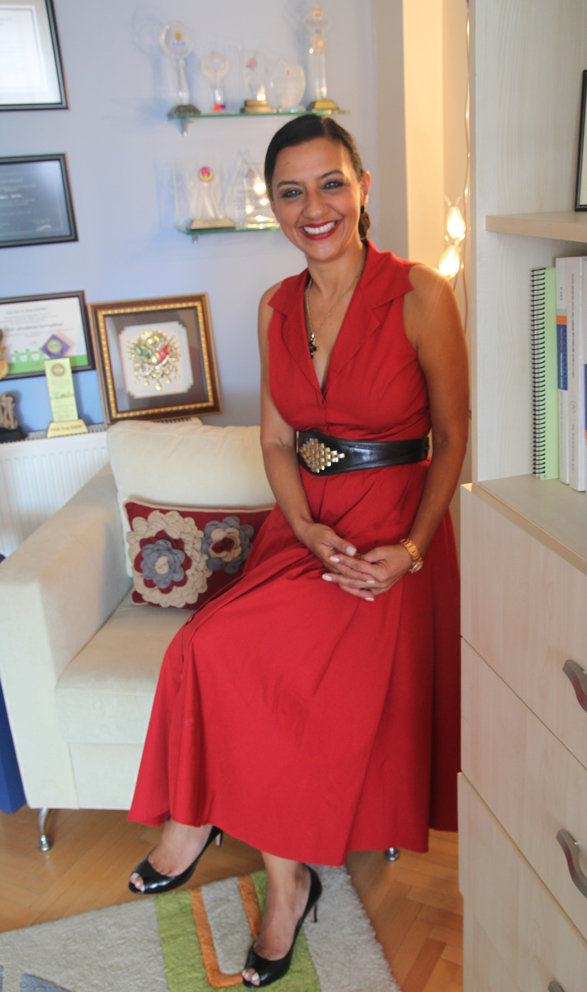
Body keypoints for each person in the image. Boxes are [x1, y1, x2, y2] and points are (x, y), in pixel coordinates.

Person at [126, 114, 469, 989]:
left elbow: (452, 434)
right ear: (272, 205)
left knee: (251, 666)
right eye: (290, 192)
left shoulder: (420, 293)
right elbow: (277, 440)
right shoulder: (275, 305)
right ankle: (269, 868)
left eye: (330, 184)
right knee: (206, 644)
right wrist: (306, 527)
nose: (313, 207)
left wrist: (411, 549)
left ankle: (249, 862)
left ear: (361, 188)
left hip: (389, 532)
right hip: (305, 526)